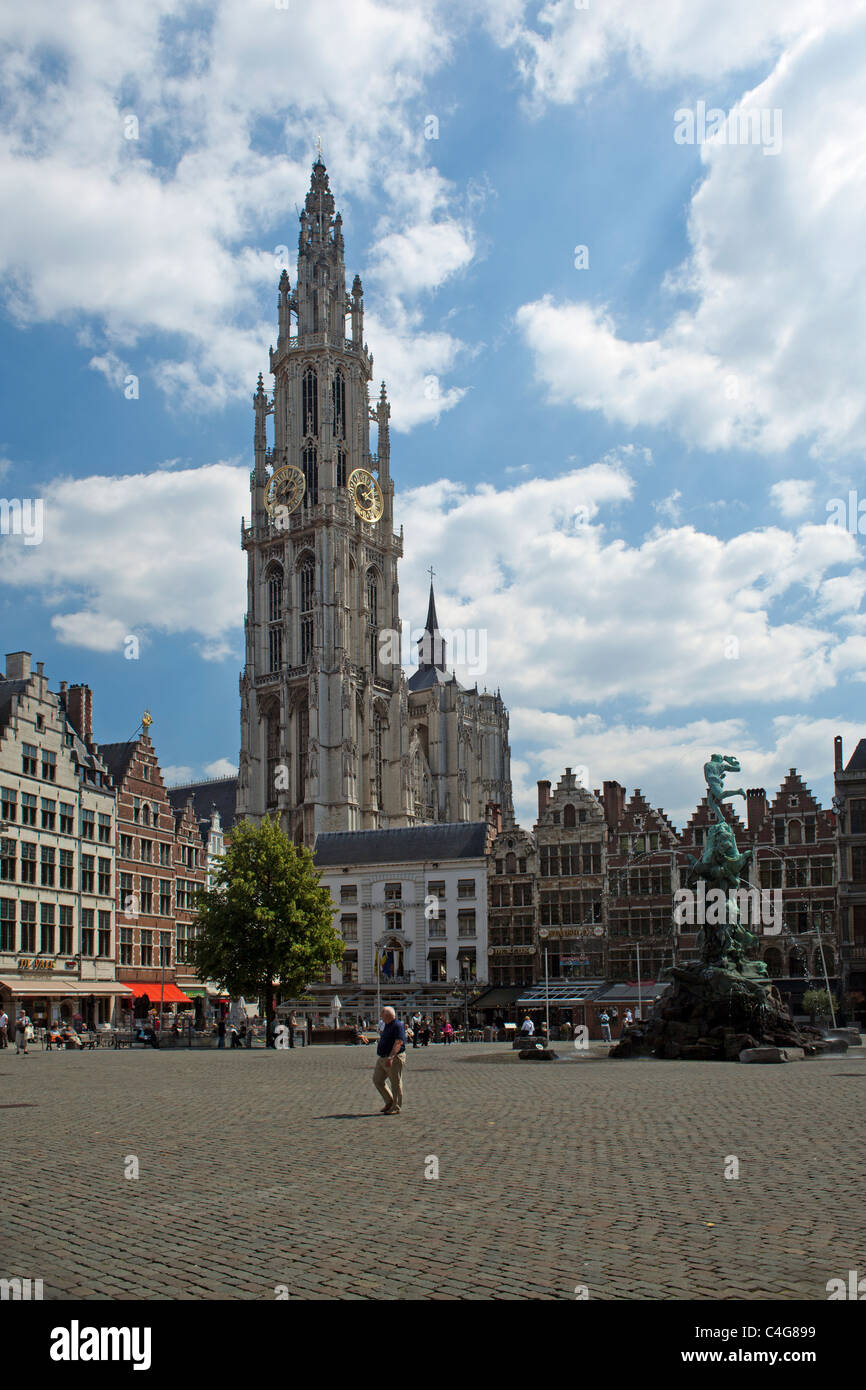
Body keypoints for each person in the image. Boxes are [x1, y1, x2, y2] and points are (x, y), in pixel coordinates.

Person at [373, 1006, 406, 1115]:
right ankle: (389, 1101)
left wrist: (391, 1057)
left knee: (395, 1082)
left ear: (387, 1015)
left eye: (382, 1014)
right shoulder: (387, 1025)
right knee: (377, 1080)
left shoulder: (397, 1025)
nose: (380, 1016)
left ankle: (396, 1106)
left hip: (393, 1057)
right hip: (382, 1057)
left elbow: (398, 1042)